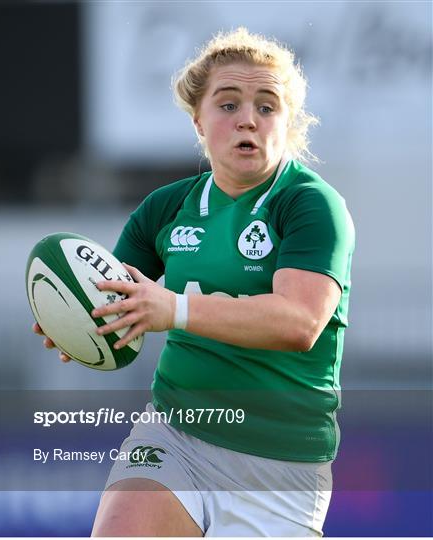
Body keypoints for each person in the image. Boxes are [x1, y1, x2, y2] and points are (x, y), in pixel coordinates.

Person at [34, 27, 354, 537]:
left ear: (287, 122)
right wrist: (83, 322)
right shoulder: (166, 207)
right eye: (228, 104)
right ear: (198, 123)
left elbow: (299, 322)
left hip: (279, 464)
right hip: (175, 432)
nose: (248, 118)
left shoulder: (311, 204)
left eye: (267, 106)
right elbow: (120, 299)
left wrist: (173, 309)